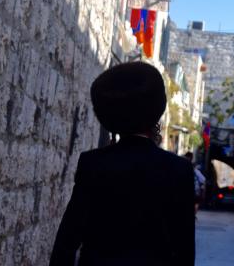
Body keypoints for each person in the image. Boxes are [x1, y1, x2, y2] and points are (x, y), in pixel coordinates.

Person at [50, 62, 195, 265]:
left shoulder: (93, 164)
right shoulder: (179, 170)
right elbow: (184, 250)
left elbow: (67, 242)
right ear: (155, 114)